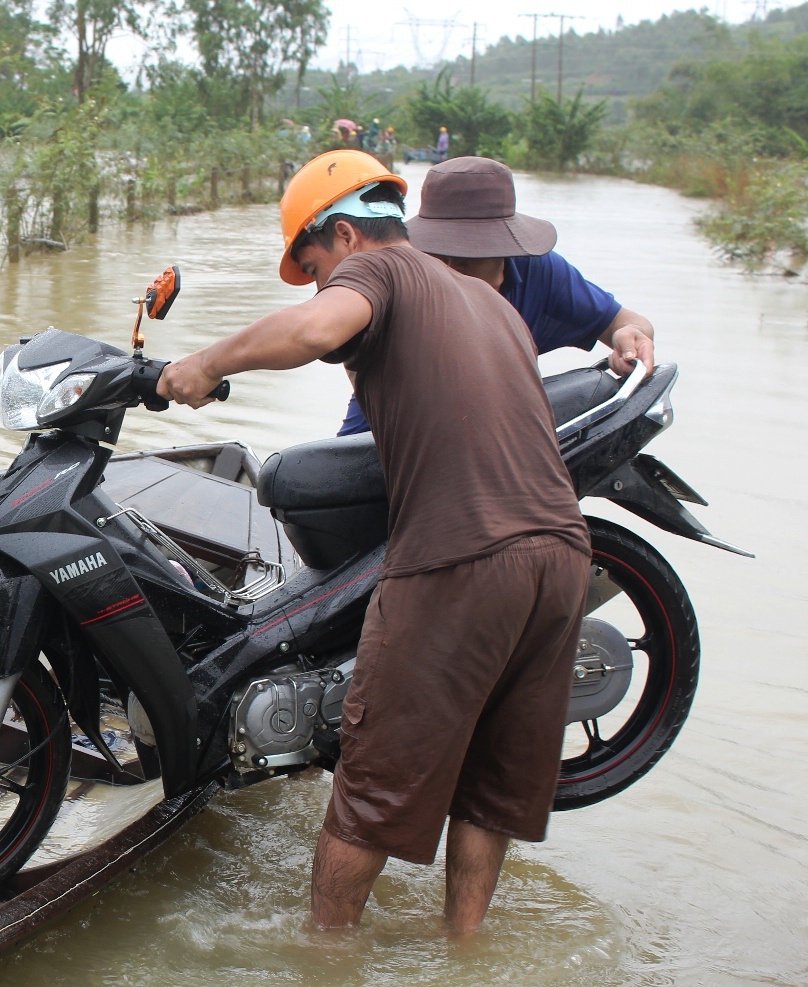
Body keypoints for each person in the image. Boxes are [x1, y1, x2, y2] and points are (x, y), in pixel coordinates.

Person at [156, 150, 590, 933]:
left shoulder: (382, 271)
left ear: (347, 236)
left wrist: (206, 362)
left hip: (462, 561)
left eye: (317, 264)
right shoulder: (490, 301)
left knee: (368, 796)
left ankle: (326, 981)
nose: (324, 283)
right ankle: (465, 955)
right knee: (490, 789)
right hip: (560, 559)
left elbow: (321, 326)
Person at [337, 156, 656, 436]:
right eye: (437, 254)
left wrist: (629, 340)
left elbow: (623, 322)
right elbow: (351, 355)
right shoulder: (398, 274)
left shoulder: (539, 274)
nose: (449, 269)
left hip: (497, 440)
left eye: (465, 258)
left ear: (505, 250)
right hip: (391, 436)